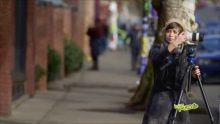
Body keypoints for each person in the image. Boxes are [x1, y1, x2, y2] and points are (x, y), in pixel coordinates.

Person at [142, 19, 201, 124]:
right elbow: (157, 60)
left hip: (180, 97)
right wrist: (174, 44)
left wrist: (193, 76)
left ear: (181, 34)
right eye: (168, 31)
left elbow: (186, 81)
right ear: (164, 33)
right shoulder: (157, 48)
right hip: (161, 96)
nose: (171, 34)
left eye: (175, 32)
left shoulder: (185, 52)